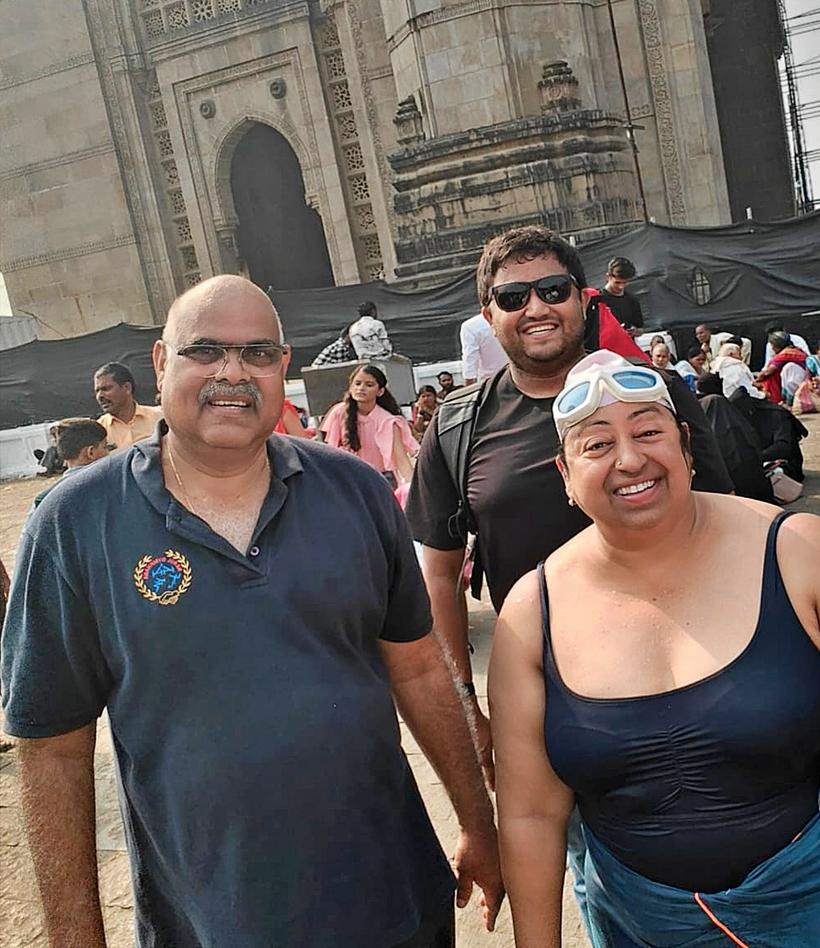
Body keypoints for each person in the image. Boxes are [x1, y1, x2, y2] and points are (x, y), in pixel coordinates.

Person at [1, 275, 502, 946]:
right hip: (213, 919)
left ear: (284, 369)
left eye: (258, 354)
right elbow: (53, 748)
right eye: (204, 351)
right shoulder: (76, 522)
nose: (232, 373)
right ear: (159, 364)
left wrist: (477, 822)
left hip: (392, 902)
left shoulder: (352, 492)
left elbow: (418, 669)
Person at [489, 351, 820, 946]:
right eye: (596, 445)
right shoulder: (531, 613)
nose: (629, 458)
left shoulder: (804, 555)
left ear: (687, 449)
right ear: (565, 476)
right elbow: (531, 817)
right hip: (644, 924)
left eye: (648, 431)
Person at [406, 225, 733, 911]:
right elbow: (438, 577)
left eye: (554, 290)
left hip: (697, 677)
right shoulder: (458, 427)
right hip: (563, 710)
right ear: (487, 313)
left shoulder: (655, 393)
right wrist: (470, 707)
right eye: (513, 296)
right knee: (607, 885)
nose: (537, 308)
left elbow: (735, 527)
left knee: (739, 852)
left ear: (582, 301)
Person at [319, 364, 420, 491]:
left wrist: (413, 489)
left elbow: (402, 461)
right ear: (350, 387)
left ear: (380, 391)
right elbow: (330, 451)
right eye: (357, 383)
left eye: (369, 385)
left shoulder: (388, 421)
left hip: (381, 479)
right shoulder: (339, 413)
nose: (361, 388)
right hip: (348, 478)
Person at [31, 418, 111, 509]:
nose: (108, 453)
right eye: (105, 447)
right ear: (91, 452)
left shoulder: (43, 499)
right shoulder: (112, 488)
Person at [94, 361, 162, 450]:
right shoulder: (96, 432)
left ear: (127, 388)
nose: (100, 396)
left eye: (106, 389)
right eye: (97, 391)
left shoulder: (160, 417)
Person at [756, 330, 810, 404]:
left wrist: (756, 381)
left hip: (800, 384)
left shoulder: (784, 354)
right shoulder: (797, 350)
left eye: (772, 346)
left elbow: (768, 372)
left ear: (776, 346)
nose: (772, 349)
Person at [459, 311, 509, 385]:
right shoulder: (514, 317)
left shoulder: (471, 326)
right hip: (519, 380)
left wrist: (468, 391)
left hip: (490, 383)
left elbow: (470, 363)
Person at [597, 256, 644, 331]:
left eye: (625, 283)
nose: (621, 287)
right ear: (608, 277)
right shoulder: (597, 300)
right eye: (617, 282)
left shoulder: (632, 301)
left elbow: (640, 328)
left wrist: (635, 331)